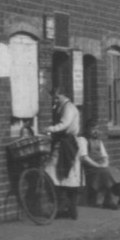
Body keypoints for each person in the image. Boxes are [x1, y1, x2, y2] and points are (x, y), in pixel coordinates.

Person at [44, 91, 83, 219]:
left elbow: (64, 124)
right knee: (61, 174)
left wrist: (50, 129)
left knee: (54, 171)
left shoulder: (68, 108)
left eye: (56, 97)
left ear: (61, 95)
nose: (55, 100)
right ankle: (67, 206)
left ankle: (67, 205)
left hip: (67, 144)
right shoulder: (62, 107)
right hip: (63, 143)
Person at [78, 123, 120, 209]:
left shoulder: (98, 141)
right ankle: (108, 201)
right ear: (87, 130)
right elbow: (84, 158)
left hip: (100, 167)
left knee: (115, 171)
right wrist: (97, 166)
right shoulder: (82, 140)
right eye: (93, 129)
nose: (96, 131)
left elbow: (105, 156)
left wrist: (105, 163)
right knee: (107, 173)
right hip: (90, 170)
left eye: (97, 129)